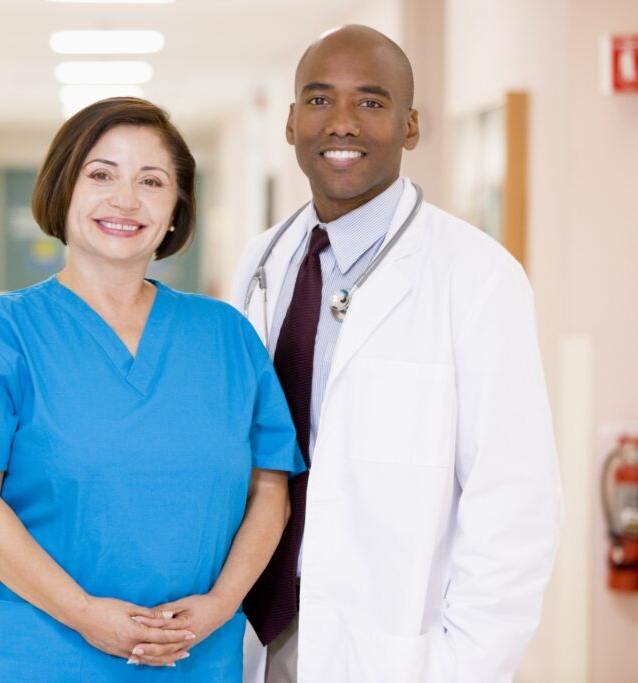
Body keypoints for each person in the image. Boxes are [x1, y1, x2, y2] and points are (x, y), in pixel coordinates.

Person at [0, 97, 305, 682]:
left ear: (176, 210)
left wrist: (220, 606)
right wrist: (85, 615)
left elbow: (271, 488)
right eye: (101, 174)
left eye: (152, 181)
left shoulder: (226, 337)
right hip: (35, 655)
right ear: (63, 190)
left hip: (192, 656)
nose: (126, 200)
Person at [230, 25, 563, 683]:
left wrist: (461, 667)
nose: (342, 123)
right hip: (256, 631)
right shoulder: (263, 260)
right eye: (320, 101)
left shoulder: (478, 278)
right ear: (292, 121)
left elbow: (515, 508)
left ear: (411, 127)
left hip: (392, 648)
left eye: (372, 103)